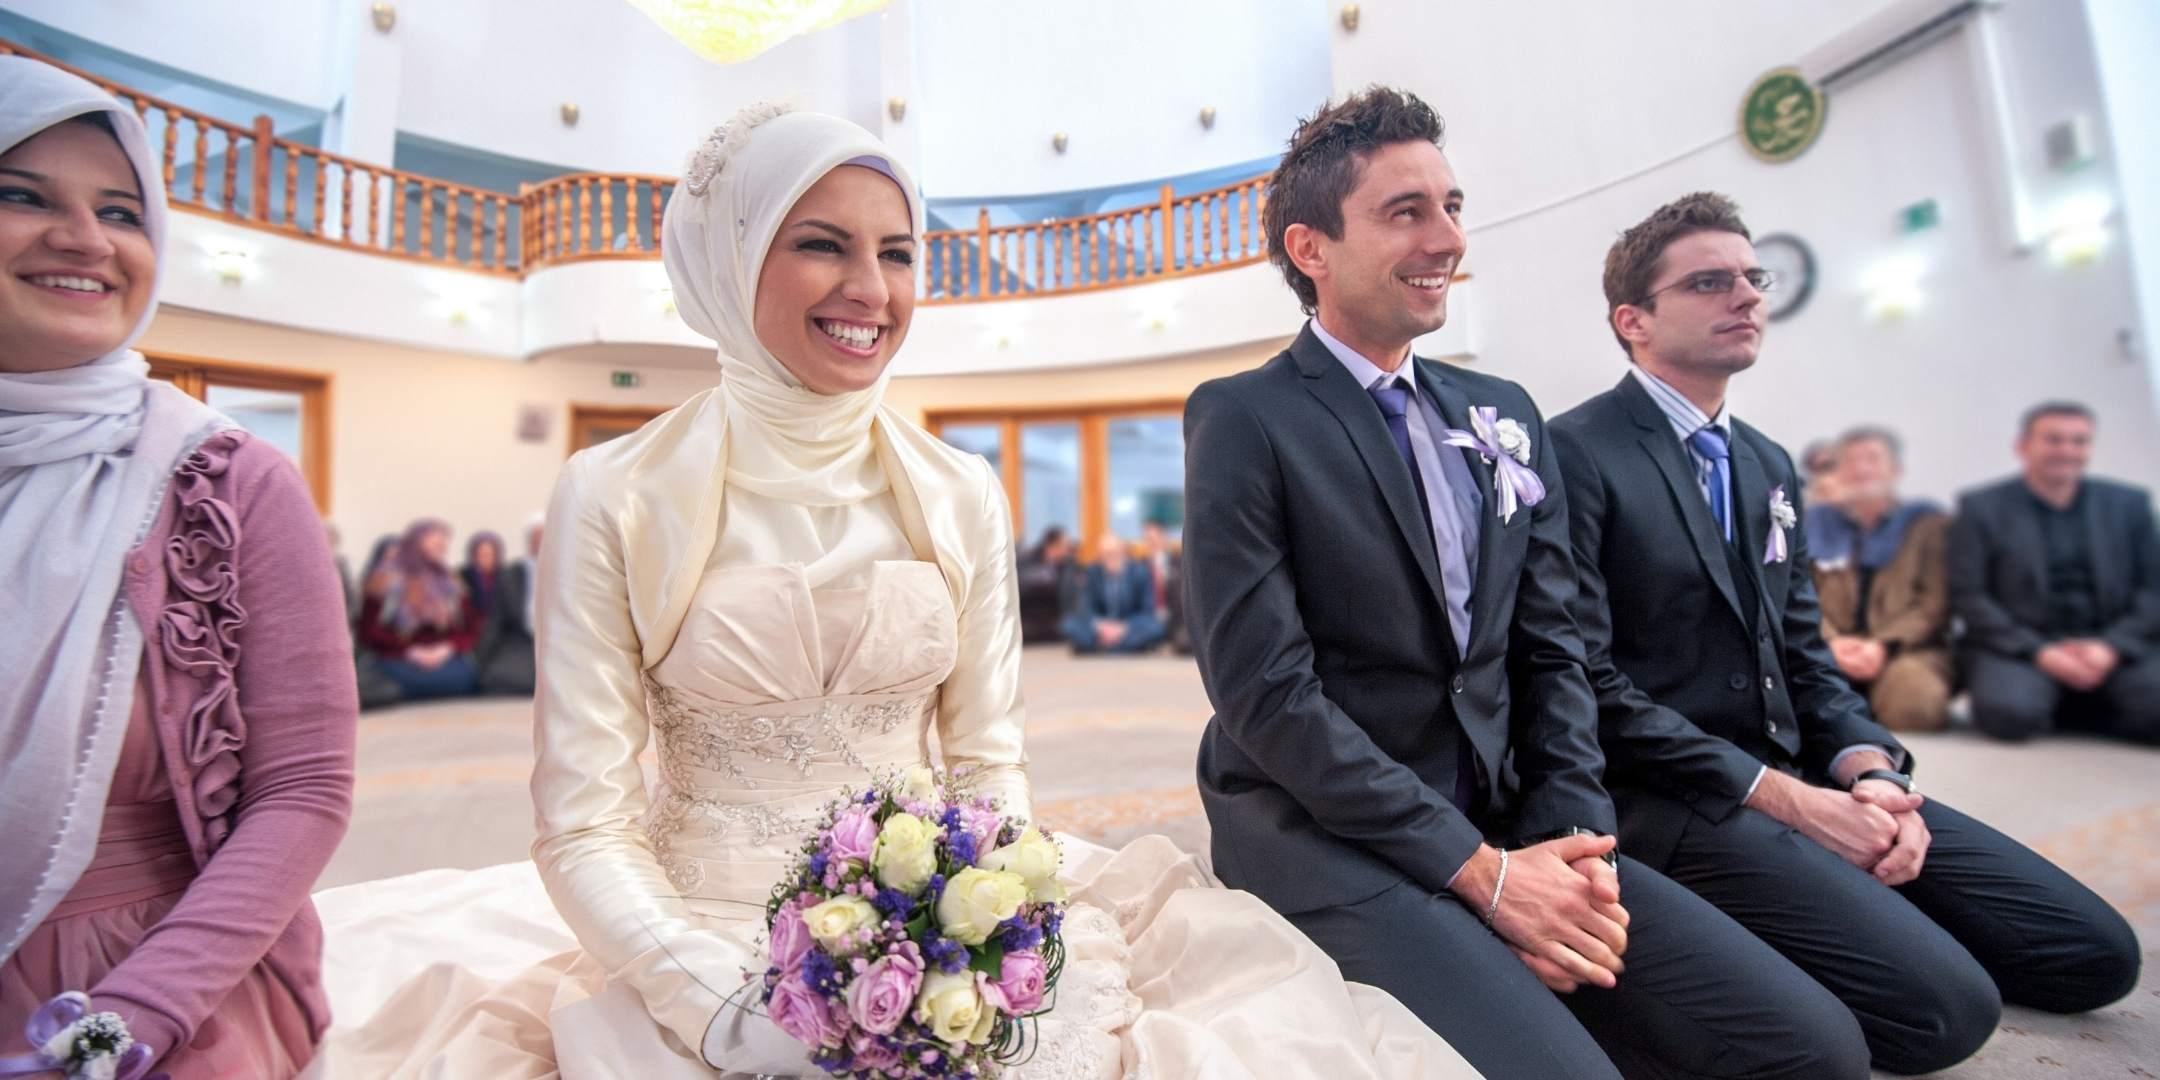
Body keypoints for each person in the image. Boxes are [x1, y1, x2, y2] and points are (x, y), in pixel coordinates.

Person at [306, 103, 1476, 1078]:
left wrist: (985, 926)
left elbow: (986, 765)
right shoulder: (613, 491)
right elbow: (581, 821)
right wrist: (717, 1000)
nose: (871, 288)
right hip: (696, 934)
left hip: (947, 928)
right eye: (821, 243)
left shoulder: (959, 490)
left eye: (899, 251)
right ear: (733, 258)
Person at [1183, 89, 1866, 1080]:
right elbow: (1266, 698)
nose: (1447, 238)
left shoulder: (1499, 410)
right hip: (1322, 822)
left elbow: (1552, 653)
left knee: (1819, 1052)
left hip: (1507, 809)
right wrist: (1482, 877)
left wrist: (1573, 849)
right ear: (1311, 248)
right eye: (1405, 212)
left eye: (1452, 207)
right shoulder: (1246, 418)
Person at [1550, 191, 2140, 1075]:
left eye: (1754, 278)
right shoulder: (1574, 452)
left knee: (2094, 954)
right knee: (1947, 1015)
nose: (1747, 297)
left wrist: (1871, 775)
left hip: (1801, 771)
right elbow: (1587, 682)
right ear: (1632, 319)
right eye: (1711, 282)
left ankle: (1852, 902)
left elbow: (1805, 655)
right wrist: (1790, 804)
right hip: (1682, 794)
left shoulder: (1764, 460)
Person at [0, 57, 356, 1079]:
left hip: (157, 982)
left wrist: (132, 1015)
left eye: (120, 211)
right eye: (23, 195)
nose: (84, 239)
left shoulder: (226, 483)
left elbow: (305, 789)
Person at [1950, 402, 2160, 743]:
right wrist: (2041, 652)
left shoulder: (2130, 504)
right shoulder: (1980, 508)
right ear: (2023, 446)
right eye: (2054, 440)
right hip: (2024, 645)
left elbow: (2154, 589)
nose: (2067, 451)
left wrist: (2110, 647)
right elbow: (1969, 595)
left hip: (2111, 643)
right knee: (2008, 715)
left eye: (2079, 441)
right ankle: (2077, 699)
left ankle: (2081, 698)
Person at [1807, 427, 1953, 731]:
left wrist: (1881, 645)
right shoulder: (1811, 523)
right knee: (1801, 710)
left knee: (1914, 708)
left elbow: (1933, 604)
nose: (1861, 469)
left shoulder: (1927, 524)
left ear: (1895, 469)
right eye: (1850, 461)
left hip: (1904, 647)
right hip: (1826, 645)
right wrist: (1832, 641)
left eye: (1872, 459)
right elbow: (1797, 592)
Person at [355, 518, 480, 700]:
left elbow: (470, 628)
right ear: (414, 542)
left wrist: (446, 649)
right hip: (398, 656)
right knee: (405, 680)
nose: (442, 544)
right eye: (434, 539)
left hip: (443, 657)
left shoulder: (450, 581)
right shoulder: (385, 578)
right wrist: (412, 652)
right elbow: (368, 631)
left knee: (462, 677)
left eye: (444, 539)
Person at [1061, 533, 1166, 654]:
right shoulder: (1092, 572)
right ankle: (1119, 647)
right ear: (1100, 556)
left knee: (1155, 628)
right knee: (1069, 624)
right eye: (1106, 554)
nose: (1111, 557)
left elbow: (1147, 610)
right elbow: (1085, 607)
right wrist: (1101, 626)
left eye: (1115, 553)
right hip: (1100, 627)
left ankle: (1103, 647)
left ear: (1123, 553)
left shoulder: (1140, 573)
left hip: (1128, 626)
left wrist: (1123, 627)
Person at [475, 517, 539, 696]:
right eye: (536, 537)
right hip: (520, 641)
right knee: (501, 678)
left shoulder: (565, 569)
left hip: (557, 640)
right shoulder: (511, 575)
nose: (540, 542)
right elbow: (497, 620)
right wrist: (481, 656)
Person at [1015, 524, 1077, 644]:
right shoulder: (1027, 560)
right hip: (1029, 616)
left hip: (1055, 617)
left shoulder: (1069, 565)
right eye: (1066, 545)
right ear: (1053, 545)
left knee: (1067, 627)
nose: (1069, 549)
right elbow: (1022, 587)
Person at [1138, 518, 1189, 653]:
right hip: (1149, 619)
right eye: (1148, 539)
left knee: (1185, 641)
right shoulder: (1139, 566)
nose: (1152, 543)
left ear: (1164, 538)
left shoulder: (1180, 563)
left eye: (1155, 538)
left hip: (1176, 619)